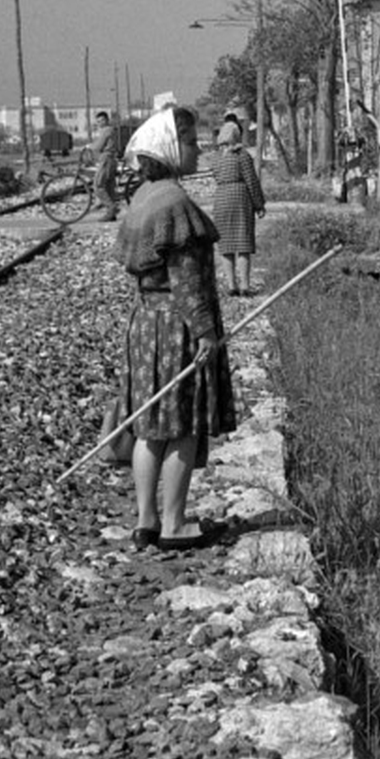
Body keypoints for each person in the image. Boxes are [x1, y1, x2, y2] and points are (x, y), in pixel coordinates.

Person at [115, 105, 237, 550]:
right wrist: (205, 332)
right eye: (189, 141)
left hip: (146, 324)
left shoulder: (145, 197)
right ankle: (174, 523)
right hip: (176, 329)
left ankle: (145, 521)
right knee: (183, 425)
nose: (197, 149)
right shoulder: (175, 204)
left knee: (149, 426)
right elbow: (187, 282)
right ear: (169, 147)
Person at [207, 115, 266, 296]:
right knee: (243, 244)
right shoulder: (242, 156)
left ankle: (231, 285)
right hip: (240, 198)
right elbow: (251, 181)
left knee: (226, 245)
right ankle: (245, 286)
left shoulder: (215, 158)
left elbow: (216, 176)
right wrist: (259, 204)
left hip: (221, 198)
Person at [91, 111, 124, 221]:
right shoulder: (112, 130)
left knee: (98, 186)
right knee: (109, 187)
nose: (100, 123)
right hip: (111, 160)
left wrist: (89, 147)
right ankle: (111, 214)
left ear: (107, 120)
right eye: (98, 121)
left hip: (106, 159)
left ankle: (111, 208)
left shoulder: (106, 131)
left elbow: (98, 146)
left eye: (102, 120)